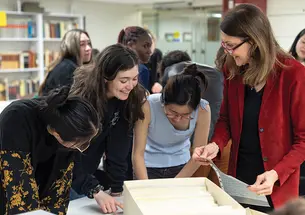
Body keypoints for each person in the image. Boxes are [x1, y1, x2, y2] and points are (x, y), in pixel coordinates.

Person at [193, 3, 305, 212]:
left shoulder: (293, 74)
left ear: (253, 41)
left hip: (277, 185)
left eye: (231, 45)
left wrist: (276, 173)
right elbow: (226, 118)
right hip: (239, 181)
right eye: (224, 44)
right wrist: (215, 145)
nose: (227, 51)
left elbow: (303, 140)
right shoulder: (232, 68)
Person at [69, 44, 146, 214]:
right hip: (64, 176)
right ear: (105, 77)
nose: (130, 85)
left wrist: (117, 190)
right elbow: (67, 154)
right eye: (123, 80)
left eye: (134, 78)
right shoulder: (81, 101)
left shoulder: (127, 98)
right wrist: (94, 189)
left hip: (88, 175)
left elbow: (119, 148)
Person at [0, 86, 100, 215]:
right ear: (57, 135)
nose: (82, 147)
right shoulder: (16, 119)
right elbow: (19, 190)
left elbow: (60, 187)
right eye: (80, 144)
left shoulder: (68, 121)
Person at [133, 64, 210, 179]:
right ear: (163, 101)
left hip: (182, 167)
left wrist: (176, 182)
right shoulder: (148, 106)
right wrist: (146, 185)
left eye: (186, 115)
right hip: (147, 167)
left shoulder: (203, 109)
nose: (178, 118)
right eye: (172, 112)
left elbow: (198, 153)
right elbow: (137, 154)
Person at [39, 29, 93, 95]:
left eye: (88, 43)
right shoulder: (66, 69)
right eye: (82, 44)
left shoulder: (71, 65)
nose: (88, 48)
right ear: (71, 47)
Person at [117, 26, 153, 91]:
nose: (149, 51)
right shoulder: (140, 70)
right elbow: (139, 100)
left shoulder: (114, 65)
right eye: (145, 46)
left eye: (149, 46)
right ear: (130, 46)